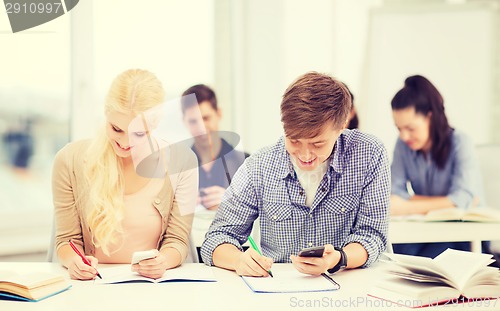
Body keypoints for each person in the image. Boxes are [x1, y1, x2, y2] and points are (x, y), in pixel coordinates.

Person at [200, 72, 390, 277]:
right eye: (294, 141)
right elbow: (217, 238)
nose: (305, 155)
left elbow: (372, 235)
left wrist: (338, 258)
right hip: (276, 288)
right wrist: (239, 260)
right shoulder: (260, 165)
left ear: (342, 124)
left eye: (318, 144)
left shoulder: (369, 154)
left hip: (346, 283)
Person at [52, 69, 198, 280]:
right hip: (91, 286)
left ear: (155, 124)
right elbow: (67, 240)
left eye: (139, 133)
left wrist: (163, 262)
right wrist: (74, 262)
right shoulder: (69, 161)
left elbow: (177, 240)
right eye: (116, 129)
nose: (125, 142)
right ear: (106, 115)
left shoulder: (183, 162)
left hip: (153, 286)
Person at [390, 75, 484, 257]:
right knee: (395, 254)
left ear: (430, 117)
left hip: (464, 231)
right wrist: (444, 202)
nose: (403, 136)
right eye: (399, 128)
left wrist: (409, 205)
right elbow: (395, 194)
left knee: (428, 260)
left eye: (410, 128)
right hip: (427, 229)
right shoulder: (403, 145)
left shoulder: (460, 142)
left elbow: (462, 200)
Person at [181, 84, 247, 210]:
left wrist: (232, 202)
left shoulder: (246, 164)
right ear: (184, 121)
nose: (201, 128)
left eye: (206, 118)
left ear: (219, 114)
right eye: (193, 121)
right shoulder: (178, 168)